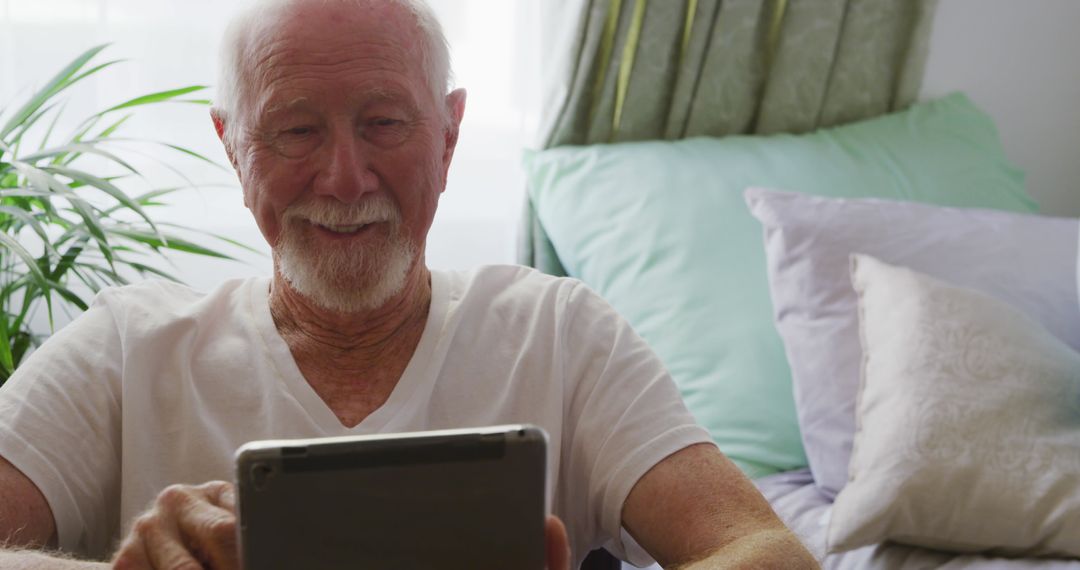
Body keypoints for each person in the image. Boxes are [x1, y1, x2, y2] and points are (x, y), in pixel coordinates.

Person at [0, 0, 818, 568]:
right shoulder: (125, 346)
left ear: (450, 135)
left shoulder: (560, 334)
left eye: (384, 124)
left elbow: (768, 551)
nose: (345, 178)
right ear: (232, 146)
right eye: (295, 130)